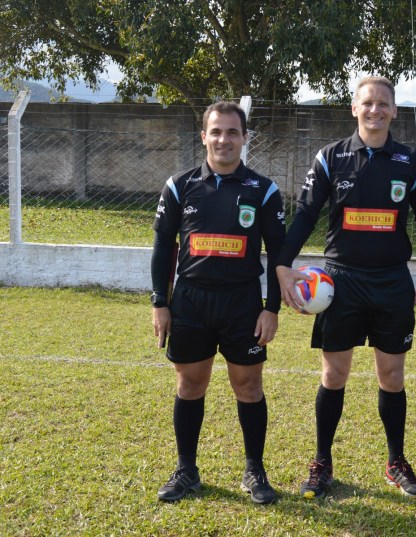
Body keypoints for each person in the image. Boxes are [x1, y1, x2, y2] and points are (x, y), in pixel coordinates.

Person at [275, 76, 416, 499]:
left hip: (390, 282)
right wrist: (281, 264)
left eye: (383, 104)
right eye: (368, 103)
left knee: (392, 375)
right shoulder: (331, 158)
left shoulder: (411, 162)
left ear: (394, 110)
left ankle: (396, 461)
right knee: (334, 373)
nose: (375, 110)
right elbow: (306, 214)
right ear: (354, 108)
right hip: (341, 281)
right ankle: (322, 462)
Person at [151, 101, 287, 504]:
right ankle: (186, 470)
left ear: (245, 138)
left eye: (232, 132)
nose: (223, 139)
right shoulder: (180, 185)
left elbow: (279, 253)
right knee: (190, 383)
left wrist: (272, 307)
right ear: (204, 136)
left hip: (243, 303)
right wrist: (161, 302)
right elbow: (163, 247)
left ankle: (254, 470)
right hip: (190, 301)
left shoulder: (263, 190)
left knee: (248, 385)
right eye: (216, 132)